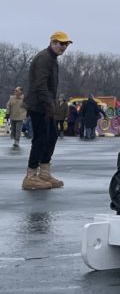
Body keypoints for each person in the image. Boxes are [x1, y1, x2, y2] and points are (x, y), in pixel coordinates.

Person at [22, 31, 73, 190]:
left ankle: (44, 172)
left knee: (52, 137)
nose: (63, 47)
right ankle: (30, 176)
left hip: (46, 105)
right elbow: (40, 85)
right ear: (52, 42)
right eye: (60, 43)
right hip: (39, 106)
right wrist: (49, 105)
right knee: (40, 138)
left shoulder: (52, 59)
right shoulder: (44, 58)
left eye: (66, 44)